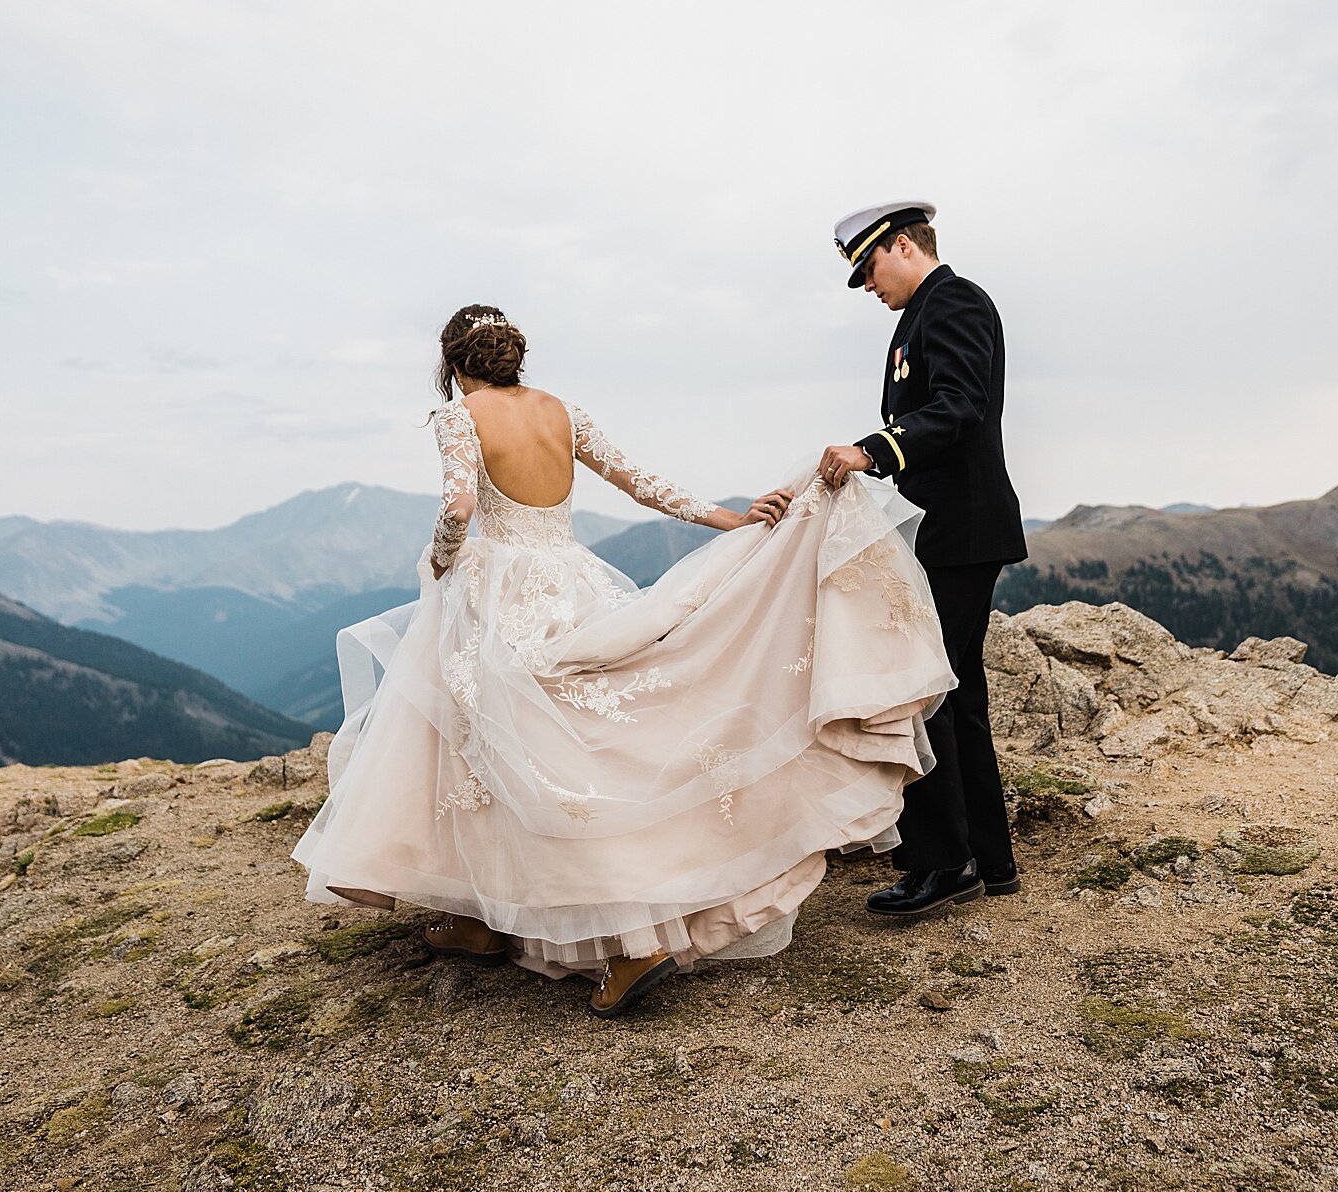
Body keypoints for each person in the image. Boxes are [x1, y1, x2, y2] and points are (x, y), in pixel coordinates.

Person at [291, 304, 955, 1017]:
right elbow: (640, 481)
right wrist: (728, 520)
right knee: (538, 744)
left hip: (498, 593)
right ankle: (485, 914)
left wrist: (441, 563)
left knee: (506, 749)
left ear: (454, 365)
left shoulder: (459, 416)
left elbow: (458, 508)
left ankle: (632, 938)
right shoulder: (562, 411)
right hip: (572, 583)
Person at [817, 201, 1028, 920]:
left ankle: (943, 863)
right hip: (947, 529)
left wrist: (873, 449)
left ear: (903, 245)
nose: (868, 286)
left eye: (870, 268)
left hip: (963, 529)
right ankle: (988, 859)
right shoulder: (919, 315)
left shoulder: (956, 302)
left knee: (925, 688)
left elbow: (959, 405)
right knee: (958, 692)